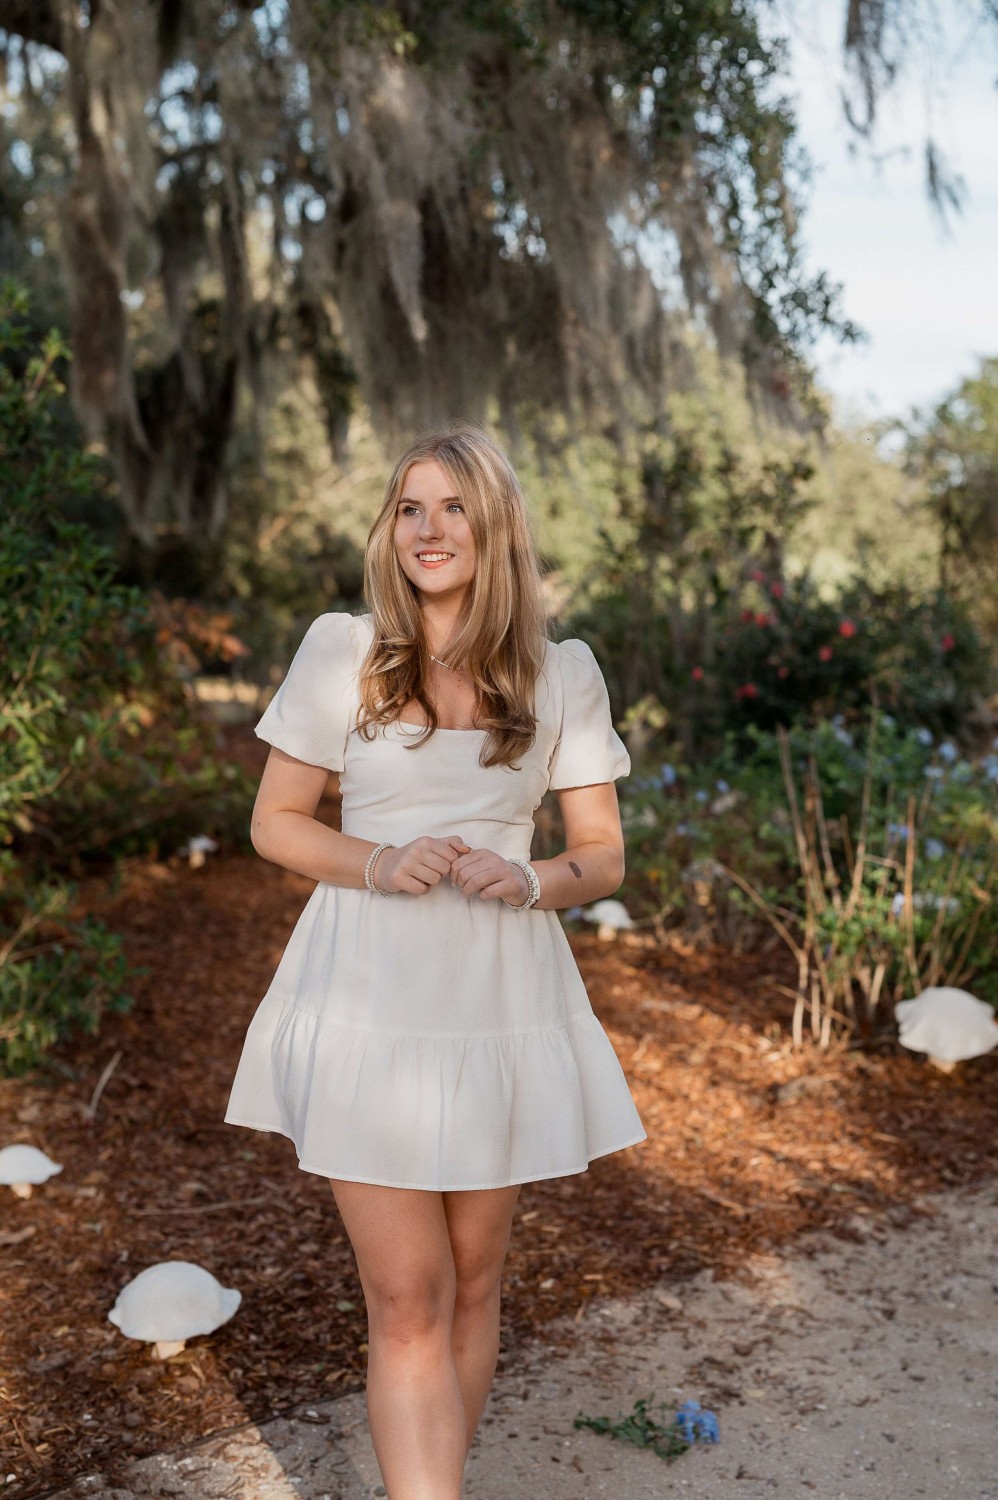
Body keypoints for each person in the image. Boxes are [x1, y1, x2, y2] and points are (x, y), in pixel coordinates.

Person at [224, 422, 647, 1500]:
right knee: (405, 1294)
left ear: (493, 524)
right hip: (367, 994)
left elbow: (600, 857)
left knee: (472, 1281)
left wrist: (532, 879)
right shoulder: (341, 649)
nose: (427, 528)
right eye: (409, 507)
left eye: (452, 506)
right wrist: (381, 860)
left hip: (498, 997)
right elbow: (275, 823)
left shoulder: (562, 673)